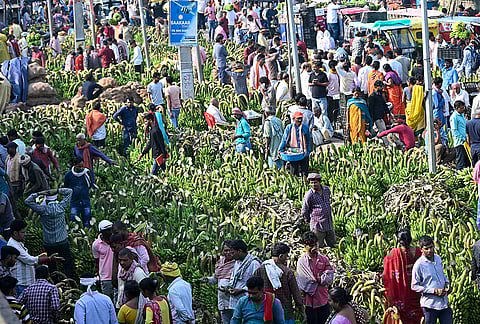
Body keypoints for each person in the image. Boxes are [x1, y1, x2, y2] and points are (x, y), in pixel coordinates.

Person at [24, 188, 75, 278]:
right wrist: (58, 190)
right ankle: (69, 281)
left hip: (49, 243)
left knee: (52, 264)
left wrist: (39, 192)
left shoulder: (43, 210)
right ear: (56, 199)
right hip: (62, 241)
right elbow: (70, 191)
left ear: (46, 200)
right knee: (67, 264)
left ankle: (55, 282)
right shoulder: (61, 207)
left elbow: (27, 201)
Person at [7, 220, 62, 296]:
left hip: (26, 283)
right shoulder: (13, 246)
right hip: (21, 284)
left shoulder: (18, 243)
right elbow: (29, 260)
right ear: (15, 233)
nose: (25, 234)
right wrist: (49, 259)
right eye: (23, 232)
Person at [254, 243, 304, 324]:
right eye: (286, 256)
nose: (287, 259)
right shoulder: (287, 272)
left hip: (265, 310)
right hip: (285, 311)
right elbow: (296, 293)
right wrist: (301, 310)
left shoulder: (260, 270)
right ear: (281, 256)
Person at [383, 229, 423, 324]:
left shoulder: (393, 254)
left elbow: (387, 266)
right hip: (418, 291)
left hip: (402, 293)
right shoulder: (418, 251)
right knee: (419, 315)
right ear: (411, 239)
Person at [411, 236, 453, 324]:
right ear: (421, 249)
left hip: (444, 303)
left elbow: (442, 274)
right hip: (430, 305)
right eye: (426, 249)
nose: (429, 250)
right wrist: (433, 291)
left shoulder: (438, 258)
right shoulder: (419, 265)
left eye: (431, 247)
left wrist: (447, 283)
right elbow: (414, 286)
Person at [296, 231, 334, 324]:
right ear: (305, 246)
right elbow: (303, 280)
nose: (314, 248)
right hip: (309, 302)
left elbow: (330, 275)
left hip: (323, 299)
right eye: (311, 246)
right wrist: (317, 280)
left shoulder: (324, 259)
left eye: (315, 245)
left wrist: (321, 279)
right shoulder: (301, 262)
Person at [203, 240, 235, 324]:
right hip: (222, 301)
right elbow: (215, 279)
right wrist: (207, 279)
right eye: (225, 250)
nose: (228, 252)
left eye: (230, 250)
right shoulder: (220, 263)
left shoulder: (237, 263)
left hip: (233, 300)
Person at [227, 239, 261, 313]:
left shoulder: (254, 263)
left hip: (248, 300)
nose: (231, 255)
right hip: (236, 301)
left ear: (239, 251)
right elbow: (233, 278)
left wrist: (242, 290)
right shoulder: (237, 263)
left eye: (233, 253)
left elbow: (258, 283)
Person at [278, 111, 311, 178]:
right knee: (293, 171)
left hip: (303, 151)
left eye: (301, 118)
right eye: (298, 118)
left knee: (304, 171)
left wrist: (308, 151)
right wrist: (280, 149)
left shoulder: (305, 127)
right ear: (294, 119)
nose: (299, 120)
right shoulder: (289, 127)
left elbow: (308, 140)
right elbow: (284, 139)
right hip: (293, 152)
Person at [64, 157, 93, 228]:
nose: (81, 168)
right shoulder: (69, 175)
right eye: (79, 166)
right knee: (74, 222)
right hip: (74, 202)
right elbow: (66, 187)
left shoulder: (86, 173)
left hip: (85, 201)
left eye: (82, 166)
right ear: (74, 165)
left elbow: (90, 184)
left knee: (86, 221)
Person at [92, 220, 114, 299]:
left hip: (118, 274)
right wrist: (98, 275)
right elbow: (97, 261)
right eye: (107, 230)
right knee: (107, 299)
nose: (110, 232)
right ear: (102, 232)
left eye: (111, 229)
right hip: (105, 277)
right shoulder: (96, 244)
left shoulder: (116, 240)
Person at [450, 100, 470, 170]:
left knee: (467, 159)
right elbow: (454, 130)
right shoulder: (454, 117)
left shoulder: (462, 115)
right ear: (456, 108)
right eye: (461, 108)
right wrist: (463, 138)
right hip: (459, 142)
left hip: (464, 141)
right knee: (460, 160)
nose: (463, 109)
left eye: (463, 108)